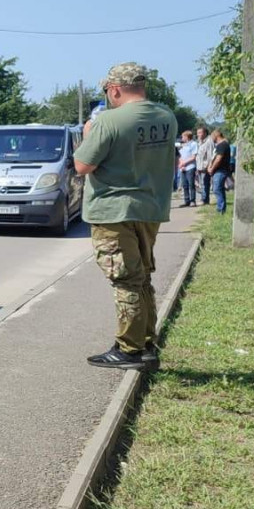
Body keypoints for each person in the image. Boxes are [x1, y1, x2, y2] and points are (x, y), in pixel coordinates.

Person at [72, 62, 177, 370]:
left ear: (114, 89)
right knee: (142, 277)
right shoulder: (167, 117)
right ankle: (145, 343)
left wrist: (87, 133)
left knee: (125, 280)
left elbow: (82, 166)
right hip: (151, 208)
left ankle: (128, 350)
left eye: (108, 93)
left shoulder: (108, 121)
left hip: (113, 209)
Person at [208, 129, 233, 214]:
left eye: (212, 136)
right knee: (219, 189)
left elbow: (218, 159)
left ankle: (220, 209)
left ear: (216, 135)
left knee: (217, 189)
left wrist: (212, 168)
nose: (212, 139)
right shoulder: (220, 145)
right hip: (218, 170)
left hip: (220, 170)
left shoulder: (222, 145)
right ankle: (221, 209)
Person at [177, 130, 198, 207]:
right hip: (182, 168)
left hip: (190, 167)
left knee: (191, 184)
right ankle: (187, 201)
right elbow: (179, 156)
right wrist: (181, 164)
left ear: (187, 137)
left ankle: (193, 201)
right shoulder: (181, 145)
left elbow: (193, 157)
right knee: (184, 185)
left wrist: (184, 163)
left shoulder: (193, 144)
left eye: (183, 136)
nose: (182, 138)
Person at [194, 126, 214, 205]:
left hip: (205, 167)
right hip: (199, 166)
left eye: (200, 132)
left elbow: (210, 155)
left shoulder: (209, 142)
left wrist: (208, 166)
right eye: (197, 132)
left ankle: (205, 200)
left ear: (205, 133)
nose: (198, 134)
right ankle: (204, 198)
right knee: (202, 184)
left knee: (205, 183)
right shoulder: (200, 142)